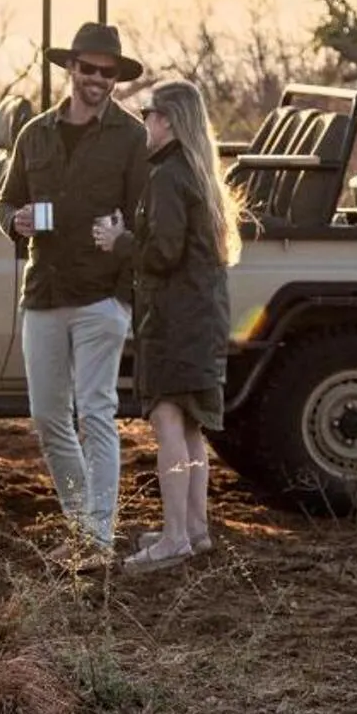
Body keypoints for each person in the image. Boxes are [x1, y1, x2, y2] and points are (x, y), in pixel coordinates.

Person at [0, 22, 150, 556]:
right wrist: (13, 221)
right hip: (44, 291)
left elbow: (143, 219)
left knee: (97, 413)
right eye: (89, 69)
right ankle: (83, 527)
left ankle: (98, 538)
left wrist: (122, 296)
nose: (98, 79)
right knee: (47, 417)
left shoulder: (131, 137)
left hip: (101, 297)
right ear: (71, 68)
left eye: (109, 72)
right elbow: (5, 201)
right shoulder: (34, 134)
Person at [95, 76, 239, 572]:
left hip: (175, 319)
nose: (145, 124)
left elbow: (163, 253)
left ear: (170, 121)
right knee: (191, 424)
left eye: (149, 115)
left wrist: (119, 241)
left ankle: (175, 537)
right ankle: (194, 529)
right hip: (201, 318)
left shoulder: (167, 177)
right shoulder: (197, 173)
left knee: (168, 421)